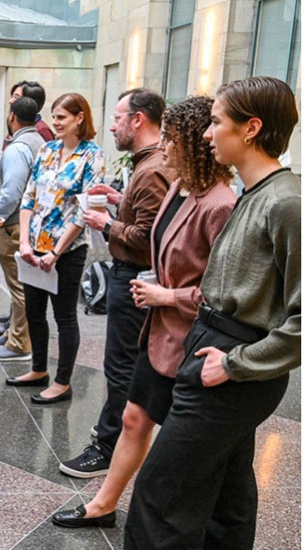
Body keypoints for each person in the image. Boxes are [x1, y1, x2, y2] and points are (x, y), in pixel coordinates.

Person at [124, 77, 300, 550]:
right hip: (215, 349)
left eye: (217, 121)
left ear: (251, 129)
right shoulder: (255, 193)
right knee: (227, 493)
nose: (206, 133)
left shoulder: (287, 203)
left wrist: (235, 363)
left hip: (233, 361)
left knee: (161, 491)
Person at [52, 95, 235, 529]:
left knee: (189, 448)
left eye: (172, 138)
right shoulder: (179, 186)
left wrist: (166, 296)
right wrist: (118, 200)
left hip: (189, 339)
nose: (164, 147)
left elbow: (223, 293)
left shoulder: (221, 203)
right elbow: (158, 234)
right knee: (134, 417)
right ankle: (102, 504)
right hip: (159, 332)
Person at [59, 89, 172, 478]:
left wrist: (105, 223)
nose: (112, 125)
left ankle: (107, 446)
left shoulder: (153, 167)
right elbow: (148, 215)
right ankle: (114, 438)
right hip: (130, 275)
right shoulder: (148, 164)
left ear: (138, 120)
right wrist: (118, 198)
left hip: (133, 277)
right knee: (123, 366)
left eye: (118, 117)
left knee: (121, 368)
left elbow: (151, 236)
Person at [16, 93, 105, 404]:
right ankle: (38, 369)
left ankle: (63, 381)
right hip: (35, 247)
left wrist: (56, 251)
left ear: (80, 118)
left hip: (67, 250)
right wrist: (25, 241)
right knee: (34, 312)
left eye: (61, 117)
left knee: (64, 316)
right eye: (53, 116)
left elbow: (84, 211)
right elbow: (29, 197)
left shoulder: (92, 155)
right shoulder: (48, 150)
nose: (55, 122)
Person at [0, 96, 45, 362]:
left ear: (11, 117)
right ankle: (14, 334)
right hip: (30, 223)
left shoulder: (18, 148)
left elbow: (11, 192)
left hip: (12, 227)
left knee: (19, 287)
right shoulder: (40, 142)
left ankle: (20, 344)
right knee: (21, 284)